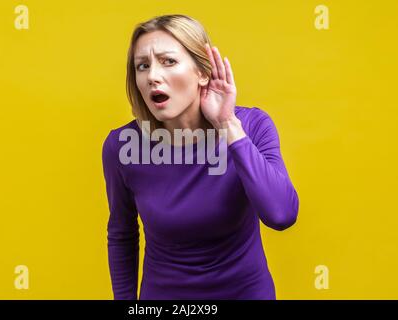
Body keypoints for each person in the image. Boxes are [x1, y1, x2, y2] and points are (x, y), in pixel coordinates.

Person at [102, 14, 299, 300]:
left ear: (202, 72)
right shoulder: (122, 147)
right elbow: (122, 235)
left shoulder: (252, 126)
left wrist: (229, 126)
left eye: (168, 61)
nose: (152, 76)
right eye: (142, 66)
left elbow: (281, 214)